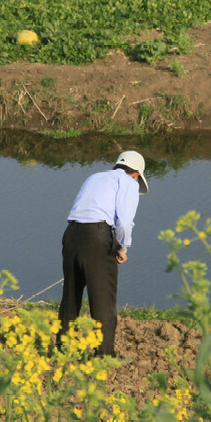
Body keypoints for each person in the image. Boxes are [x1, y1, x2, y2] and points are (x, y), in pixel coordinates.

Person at [58, 150, 149, 358]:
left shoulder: (94, 177)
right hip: (97, 237)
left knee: (71, 296)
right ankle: (104, 356)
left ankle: (63, 349)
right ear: (136, 174)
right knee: (103, 299)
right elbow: (124, 222)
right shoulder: (129, 183)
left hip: (71, 234)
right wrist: (122, 248)